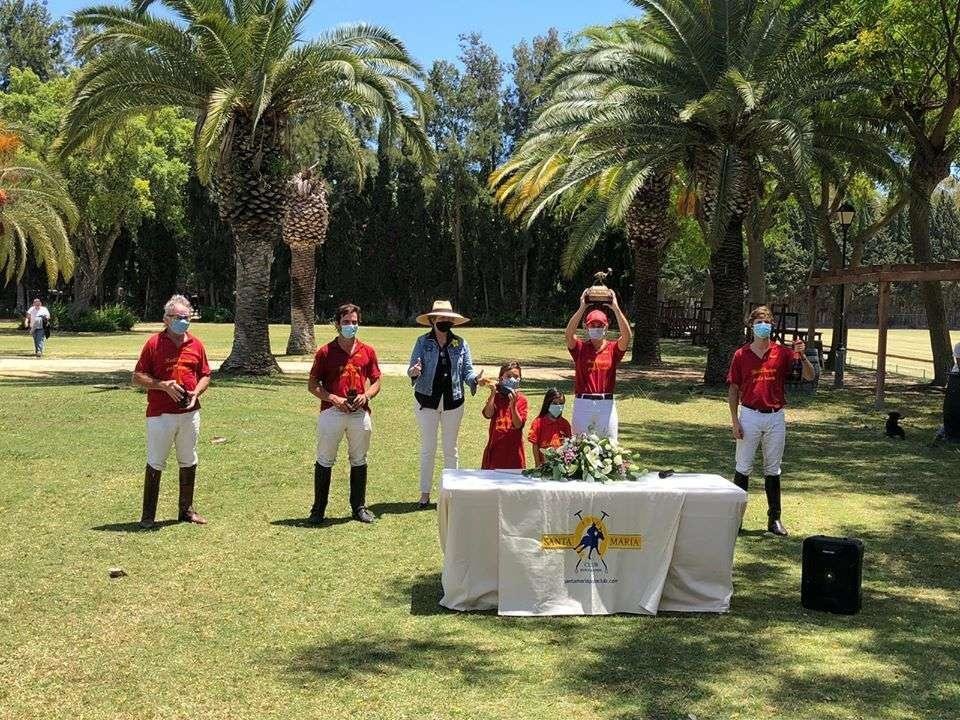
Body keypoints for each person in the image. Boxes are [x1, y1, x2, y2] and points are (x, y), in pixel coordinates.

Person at [727, 305, 815, 537]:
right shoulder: (741, 355)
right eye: (758, 322)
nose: (762, 326)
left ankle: (774, 519)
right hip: (749, 415)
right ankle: (735, 520)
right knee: (743, 467)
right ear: (751, 326)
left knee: (773, 469)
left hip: (775, 416)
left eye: (766, 322)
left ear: (772, 325)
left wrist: (802, 355)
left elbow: (809, 376)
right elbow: (734, 389)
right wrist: (735, 421)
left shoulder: (783, 353)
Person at [132, 294, 211, 529]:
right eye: (178, 317)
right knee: (156, 461)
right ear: (166, 319)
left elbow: (205, 374)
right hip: (161, 414)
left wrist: (196, 392)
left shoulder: (196, 344)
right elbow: (137, 377)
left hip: (189, 414)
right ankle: (148, 516)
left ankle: (186, 511)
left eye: (187, 317)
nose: (183, 321)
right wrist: (162, 385)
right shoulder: (154, 344)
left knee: (188, 459)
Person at [307, 303, 381, 524]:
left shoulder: (367, 351)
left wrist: (366, 395)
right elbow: (312, 384)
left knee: (359, 459)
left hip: (359, 412)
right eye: (347, 322)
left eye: (355, 322)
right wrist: (332, 398)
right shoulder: (325, 352)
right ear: (337, 324)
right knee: (325, 459)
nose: (351, 326)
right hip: (332, 411)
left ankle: (358, 507)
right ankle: (318, 509)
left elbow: (377, 380)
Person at [407, 300, 483, 508]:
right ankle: (425, 494)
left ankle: (453, 494)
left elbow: (467, 371)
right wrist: (414, 372)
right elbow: (412, 369)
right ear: (432, 320)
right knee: (428, 448)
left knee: (451, 448)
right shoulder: (422, 342)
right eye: (441, 318)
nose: (445, 321)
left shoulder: (460, 343)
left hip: (453, 402)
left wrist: (474, 380)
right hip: (426, 401)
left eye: (448, 318)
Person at [564, 289, 632, 440]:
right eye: (592, 325)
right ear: (586, 327)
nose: (596, 328)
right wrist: (582, 307)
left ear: (606, 327)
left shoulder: (613, 349)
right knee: (579, 447)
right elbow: (568, 335)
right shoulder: (580, 348)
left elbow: (627, 336)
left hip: (606, 404)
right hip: (583, 404)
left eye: (600, 325)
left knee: (610, 447)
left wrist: (615, 307)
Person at [481, 360, 528, 470]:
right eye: (508, 376)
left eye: (516, 377)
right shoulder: (497, 398)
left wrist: (513, 406)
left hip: (514, 455)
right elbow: (488, 414)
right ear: (501, 378)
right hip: (495, 451)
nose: (512, 379)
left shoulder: (522, 400)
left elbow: (518, 425)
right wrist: (493, 394)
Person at [528, 388, 572, 467]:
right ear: (547, 403)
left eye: (561, 403)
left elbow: (569, 444)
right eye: (554, 403)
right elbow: (535, 445)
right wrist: (537, 464)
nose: (558, 406)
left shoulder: (565, 424)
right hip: (544, 466)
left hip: (561, 466)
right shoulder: (538, 423)